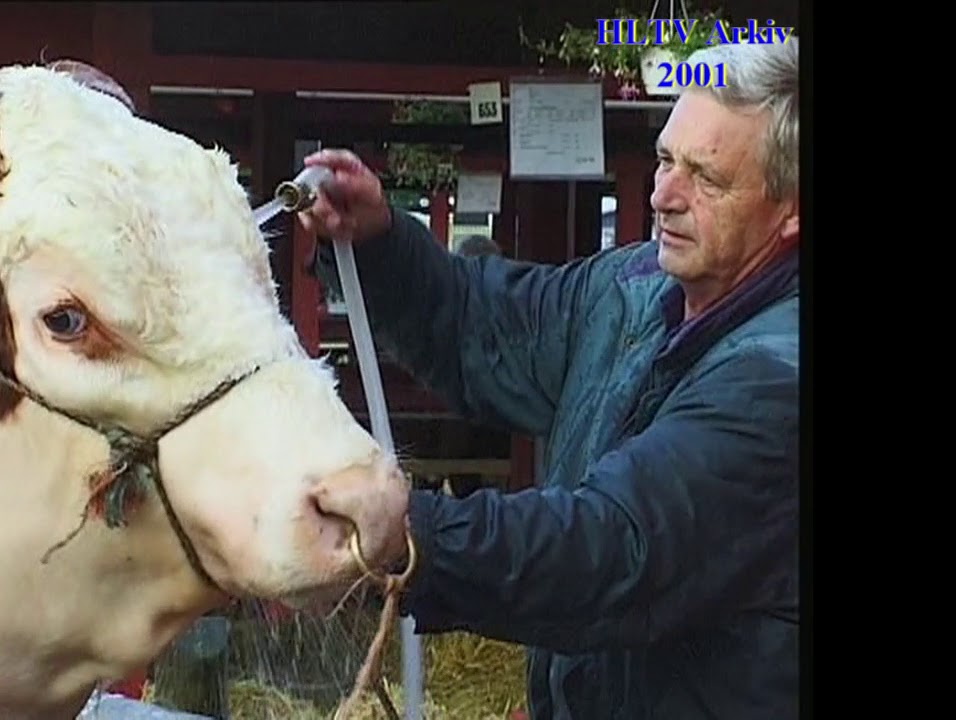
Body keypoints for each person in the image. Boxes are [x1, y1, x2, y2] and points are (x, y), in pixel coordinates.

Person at [300, 36, 799, 720]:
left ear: (791, 209)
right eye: (663, 159)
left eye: (705, 177)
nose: (663, 194)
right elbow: (480, 326)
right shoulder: (629, 286)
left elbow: (610, 546)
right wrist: (379, 244)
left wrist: (401, 536)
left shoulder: (778, 378)